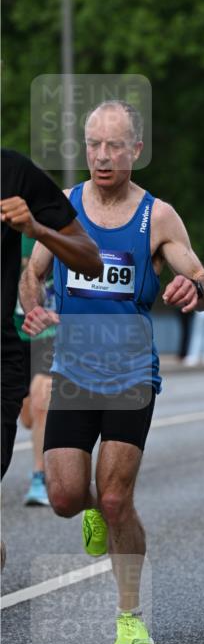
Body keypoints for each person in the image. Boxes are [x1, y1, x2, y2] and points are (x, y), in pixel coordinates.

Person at [20, 101, 204, 644]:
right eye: (94, 145)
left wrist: (195, 291)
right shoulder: (62, 208)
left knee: (115, 499)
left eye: (115, 146)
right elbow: (32, 273)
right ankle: (90, 512)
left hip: (132, 375)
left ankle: (129, 619)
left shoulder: (157, 217)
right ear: (85, 149)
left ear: (135, 149)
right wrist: (34, 309)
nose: (103, 156)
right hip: (73, 372)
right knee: (64, 497)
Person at [1, 149, 101, 483]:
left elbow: (90, 259)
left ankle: (41, 476)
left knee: (41, 400)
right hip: (21, 333)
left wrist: (36, 228)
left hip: (23, 342)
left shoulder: (14, 175)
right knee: (32, 412)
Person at [14, 234, 58, 505]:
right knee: (27, 417)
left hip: (48, 331)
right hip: (14, 334)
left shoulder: (52, 229)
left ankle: (39, 476)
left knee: (41, 401)